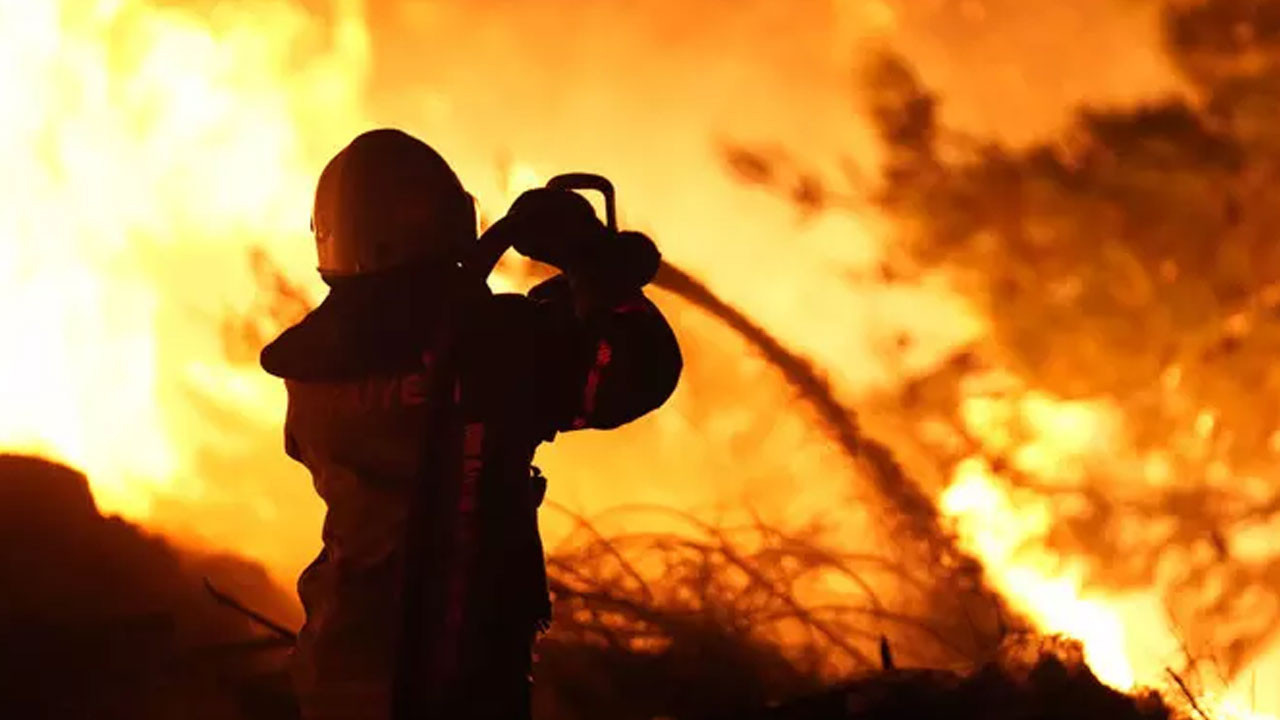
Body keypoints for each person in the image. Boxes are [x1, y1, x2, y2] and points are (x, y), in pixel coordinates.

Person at [260, 128, 682, 720]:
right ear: (449, 222)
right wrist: (592, 266)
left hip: (337, 670)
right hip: (458, 682)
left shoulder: (311, 371)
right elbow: (639, 372)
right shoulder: (492, 345)